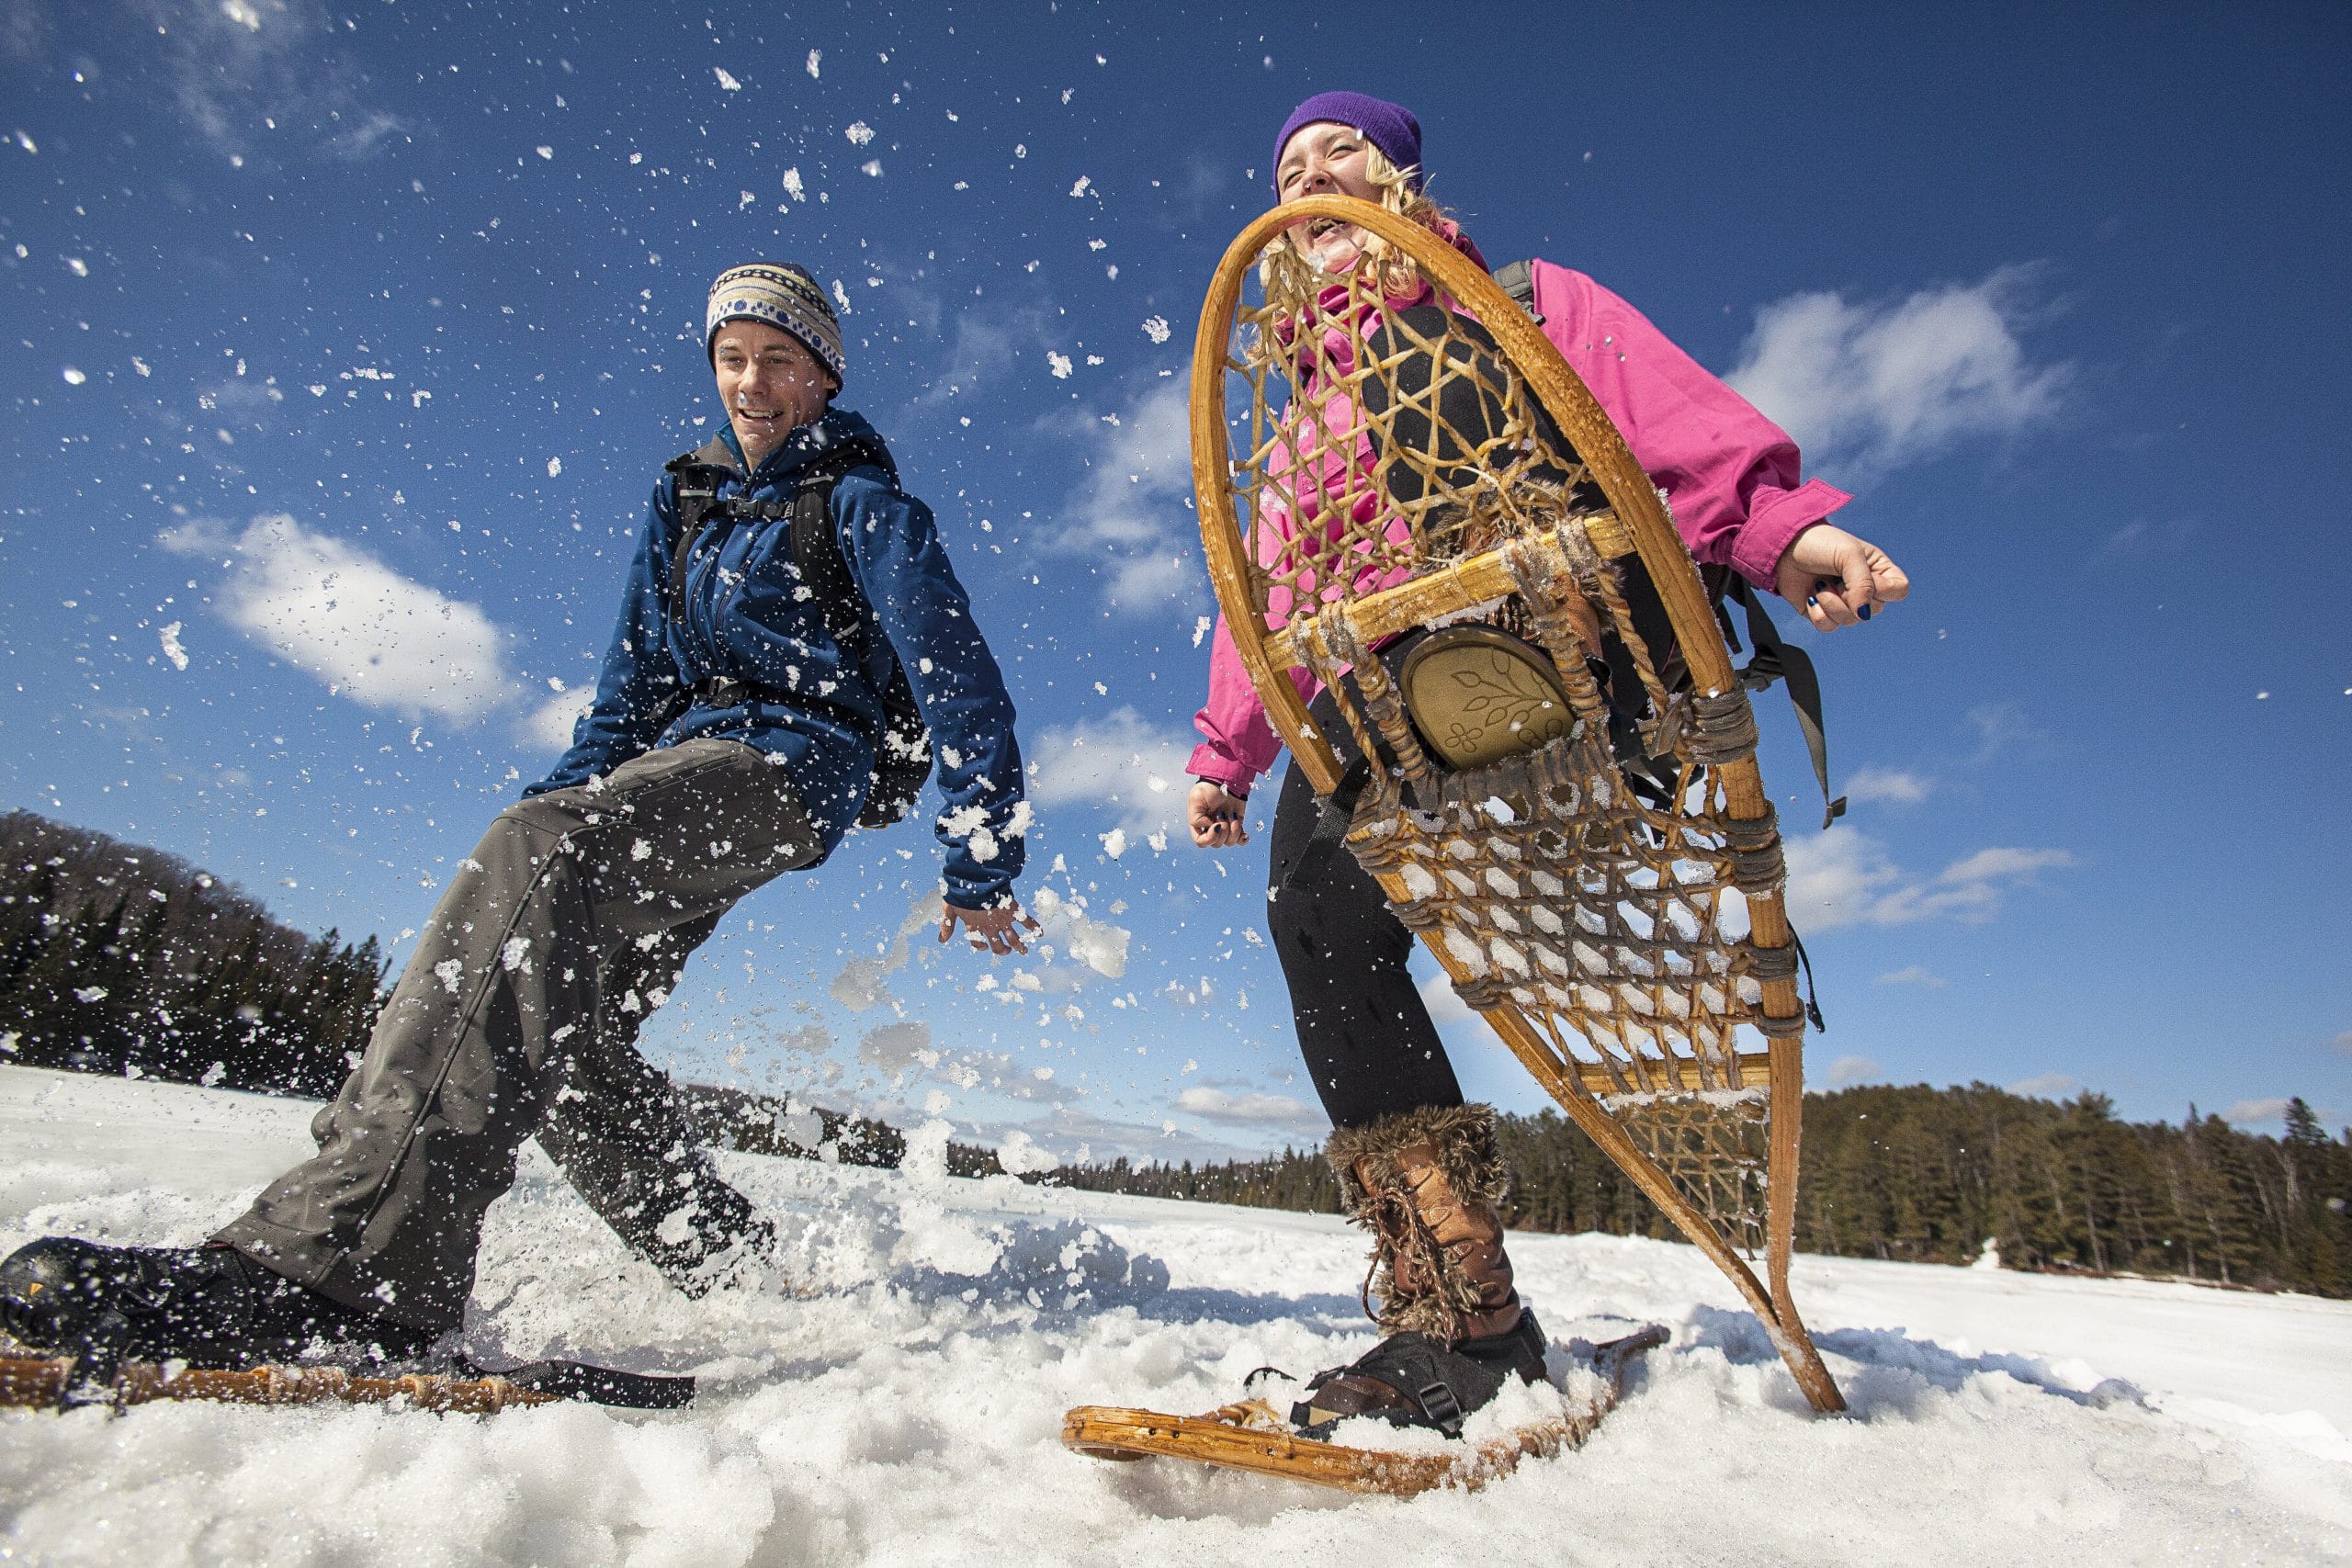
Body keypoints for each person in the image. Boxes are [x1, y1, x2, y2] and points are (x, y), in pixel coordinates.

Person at [2, 262, 1034, 1375]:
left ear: (824, 378)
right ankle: (726, 1256)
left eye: (779, 360)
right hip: (679, 759)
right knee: (556, 1006)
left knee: (541, 862)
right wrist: (558, 805)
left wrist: (980, 858)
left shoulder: (864, 506)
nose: (751, 382)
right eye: (732, 357)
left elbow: (959, 679)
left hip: (788, 769)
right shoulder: (682, 497)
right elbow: (629, 687)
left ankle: (351, 1264)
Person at [1184, 94, 1910, 1434]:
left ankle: (1517, 669)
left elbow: (1661, 422)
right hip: (1392, 690)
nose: (1310, 177)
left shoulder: (1515, 302)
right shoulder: (1295, 427)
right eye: (1287, 168)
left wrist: (1779, 531)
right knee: (1317, 918)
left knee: (1485, 475)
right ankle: (1463, 1317)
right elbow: (1265, 598)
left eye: (1335, 152)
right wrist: (1227, 756)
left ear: (1400, 174)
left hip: (1573, 647)